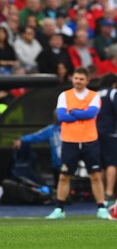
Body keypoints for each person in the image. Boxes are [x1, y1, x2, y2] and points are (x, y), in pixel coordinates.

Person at [46, 67, 111, 220]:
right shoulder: (64, 95)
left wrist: (74, 112)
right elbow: (62, 116)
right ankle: (59, 209)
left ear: (87, 80)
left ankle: (101, 208)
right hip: (70, 140)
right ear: (72, 79)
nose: (78, 81)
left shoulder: (94, 96)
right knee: (64, 176)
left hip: (89, 140)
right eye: (76, 78)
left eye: (81, 79)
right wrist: (81, 113)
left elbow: (91, 113)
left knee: (95, 175)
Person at [13, 111, 61, 187]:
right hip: (57, 166)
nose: (57, 117)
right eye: (56, 115)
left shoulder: (72, 128)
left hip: (71, 164)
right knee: (59, 187)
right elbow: (36, 136)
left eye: (60, 113)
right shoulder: (51, 130)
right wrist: (22, 139)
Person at [96, 73, 117, 207]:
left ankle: (101, 194)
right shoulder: (113, 92)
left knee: (101, 164)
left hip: (95, 132)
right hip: (111, 132)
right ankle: (109, 193)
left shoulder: (96, 94)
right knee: (111, 163)